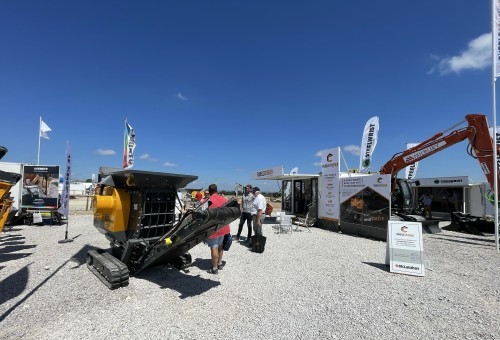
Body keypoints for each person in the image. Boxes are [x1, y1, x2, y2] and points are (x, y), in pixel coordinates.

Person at [205, 184, 230, 274]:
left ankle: (214, 268)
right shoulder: (224, 199)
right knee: (220, 245)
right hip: (223, 226)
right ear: (217, 190)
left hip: (213, 228)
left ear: (209, 190)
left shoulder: (208, 200)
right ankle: (219, 263)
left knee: (214, 246)